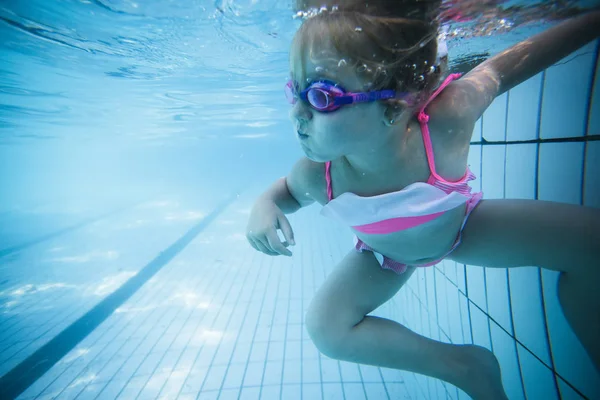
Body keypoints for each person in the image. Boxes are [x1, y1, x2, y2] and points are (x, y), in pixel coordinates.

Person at [246, 1, 600, 398]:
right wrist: (265, 206)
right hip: (384, 257)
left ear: (393, 108)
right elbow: (286, 193)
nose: (296, 115)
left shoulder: (447, 120)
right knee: (327, 329)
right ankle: (464, 366)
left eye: (321, 98)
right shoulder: (317, 176)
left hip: (464, 229)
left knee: (593, 242)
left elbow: (508, 66)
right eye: (294, 92)